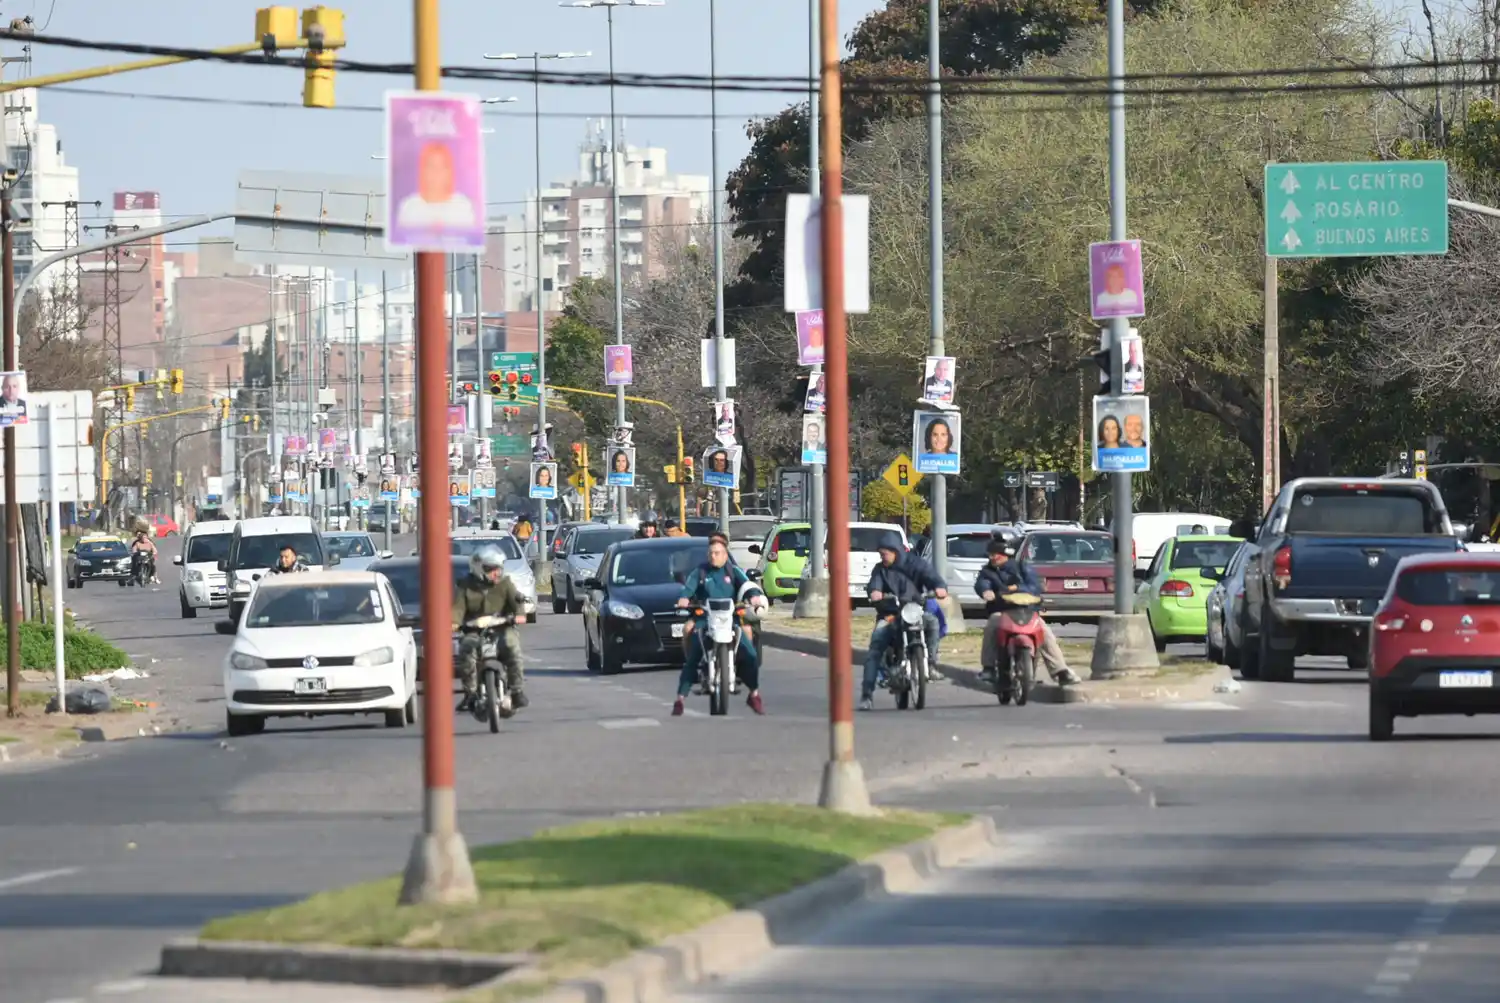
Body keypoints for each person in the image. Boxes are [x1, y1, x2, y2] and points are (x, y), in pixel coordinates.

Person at [672, 532, 768, 716]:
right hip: (705, 620)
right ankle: (680, 699)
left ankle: (754, 694)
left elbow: (748, 586)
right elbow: (688, 588)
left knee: (751, 655)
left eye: (717, 553)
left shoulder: (733, 571)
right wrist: (684, 598)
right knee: (693, 654)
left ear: (725, 554)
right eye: (711, 553)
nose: (713, 556)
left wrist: (754, 596)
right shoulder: (700, 571)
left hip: (730, 620)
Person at [860, 532, 948, 711]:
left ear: (895, 551)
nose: (882, 557)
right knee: (876, 643)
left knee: (931, 622)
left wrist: (939, 587)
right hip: (891, 614)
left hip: (914, 610)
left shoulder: (915, 564)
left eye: (885, 553)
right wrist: (875, 592)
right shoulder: (880, 570)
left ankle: (930, 664)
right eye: (880, 554)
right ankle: (867, 694)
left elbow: (930, 575)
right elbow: (874, 584)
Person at [974, 538, 1079, 687]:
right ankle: (988, 668)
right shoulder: (987, 572)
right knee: (992, 623)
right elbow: (982, 583)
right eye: (989, 555)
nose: (991, 558)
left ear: (1005, 554)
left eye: (994, 554)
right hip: (1003, 612)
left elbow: (1034, 586)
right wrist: (986, 591)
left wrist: (1017, 589)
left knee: (1044, 631)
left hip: (1027, 611)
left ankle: (1061, 671)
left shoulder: (1022, 568)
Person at [450, 545, 529, 714]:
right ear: (478, 568)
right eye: (490, 569)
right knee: (466, 649)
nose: (496, 573)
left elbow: (517, 603)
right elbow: (457, 609)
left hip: (502, 628)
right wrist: (454, 622)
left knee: (512, 647)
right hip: (474, 630)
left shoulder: (505, 584)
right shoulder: (465, 586)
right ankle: (470, 693)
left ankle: (517, 691)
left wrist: (519, 615)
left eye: (498, 569)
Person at [396, 141, 478, 230]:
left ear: (450, 172)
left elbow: (469, 241)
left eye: (442, 167)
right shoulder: (409, 207)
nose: (436, 172)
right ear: (423, 171)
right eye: (431, 166)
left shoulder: (463, 206)